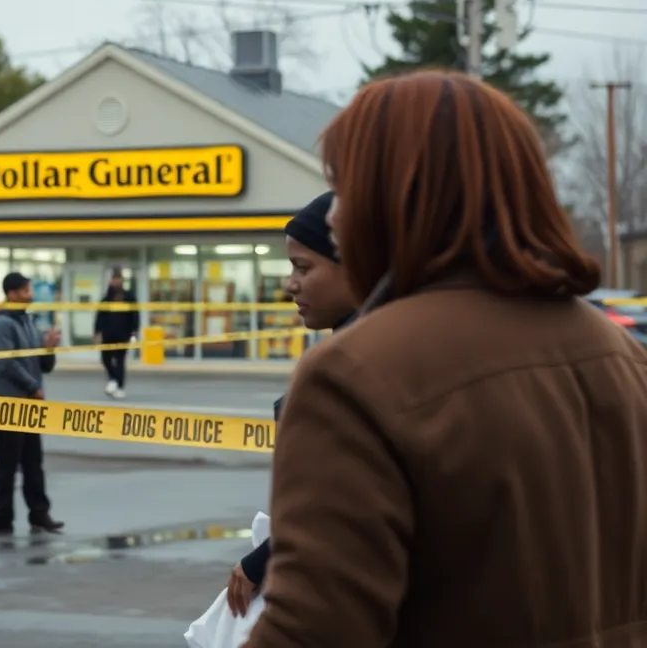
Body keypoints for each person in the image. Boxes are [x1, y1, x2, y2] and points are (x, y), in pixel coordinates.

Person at [245, 70, 647, 646]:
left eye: (347, 189)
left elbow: (316, 629)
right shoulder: (624, 357)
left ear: (397, 199)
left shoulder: (355, 374)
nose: (332, 217)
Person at [226, 190, 356, 618]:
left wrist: (265, 559)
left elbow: (341, 502)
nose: (290, 284)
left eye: (303, 266)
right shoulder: (357, 350)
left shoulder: (358, 367)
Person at [0, 272, 65, 536]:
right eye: (26, 289)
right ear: (12, 294)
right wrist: (32, 386)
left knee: (32, 461)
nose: (31, 293)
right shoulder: (2, 324)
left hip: (30, 402)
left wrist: (49, 348)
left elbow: (42, 365)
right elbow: (5, 363)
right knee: (8, 462)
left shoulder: (27, 321)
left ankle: (39, 514)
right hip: (10, 402)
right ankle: (2, 518)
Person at [93, 268, 139, 399]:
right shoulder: (106, 298)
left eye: (118, 279)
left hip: (123, 334)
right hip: (108, 334)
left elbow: (135, 315)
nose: (115, 281)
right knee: (105, 358)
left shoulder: (129, 297)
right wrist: (97, 332)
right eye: (113, 279)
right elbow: (100, 316)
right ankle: (113, 380)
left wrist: (134, 332)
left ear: (122, 280)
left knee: (120, 360)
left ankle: (119, 386)